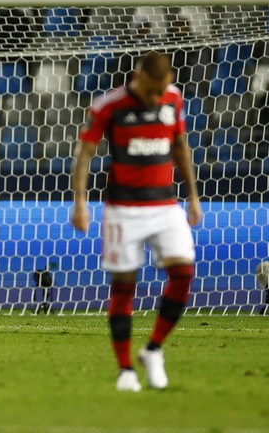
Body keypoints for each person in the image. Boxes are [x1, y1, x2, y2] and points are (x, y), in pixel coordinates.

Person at [70, 51, 201, 392]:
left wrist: (193, 196)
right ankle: (125, 369)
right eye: (152, 91)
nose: (157, 98)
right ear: (138, 77)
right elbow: (85, 152)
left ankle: (153, 348)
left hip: (165, 206)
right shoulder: (108, 105)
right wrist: (80, 202)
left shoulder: (173, 99)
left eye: (163, 90)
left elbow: (180, 147)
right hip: (123, 210)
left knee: (184, 272)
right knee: (124, 288)